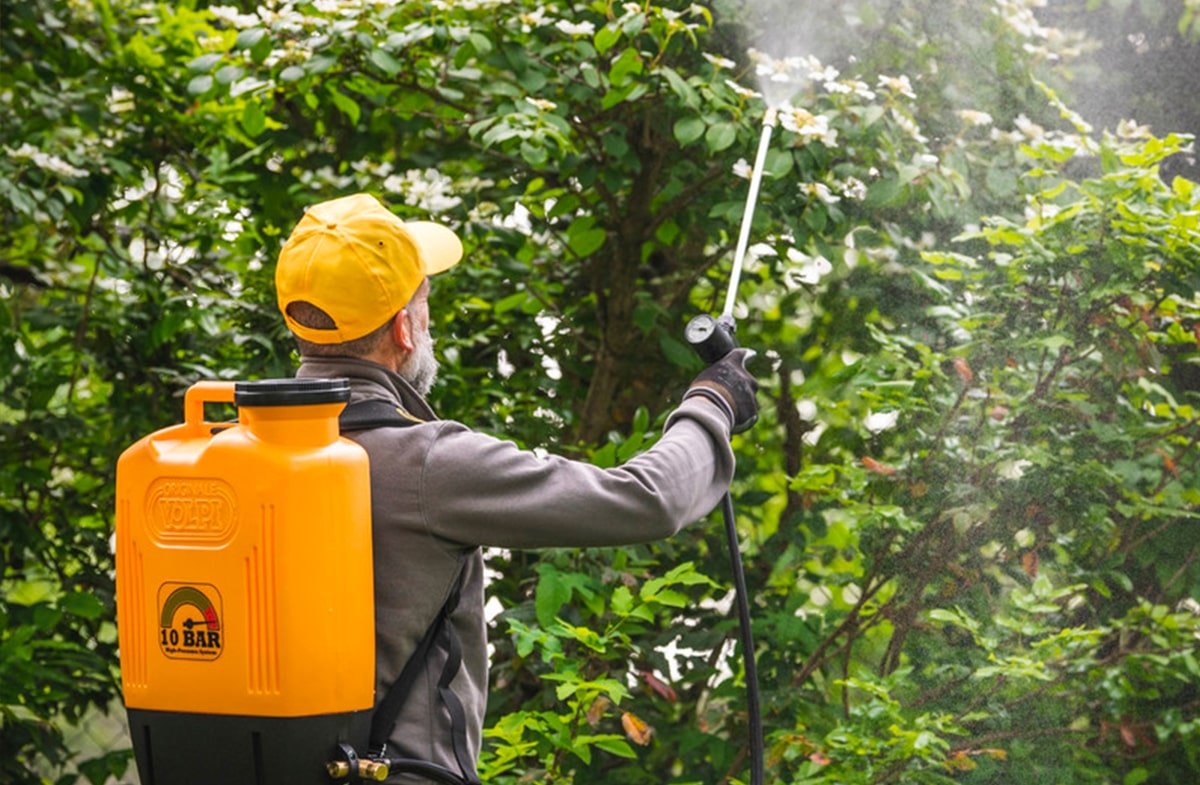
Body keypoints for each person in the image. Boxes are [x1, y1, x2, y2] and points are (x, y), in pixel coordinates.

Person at [273, 192, 758, 783]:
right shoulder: (426, 463)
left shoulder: (228, 448)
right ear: (404, 328)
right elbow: (645, 499)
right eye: (424, 303)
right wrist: (713, 403)